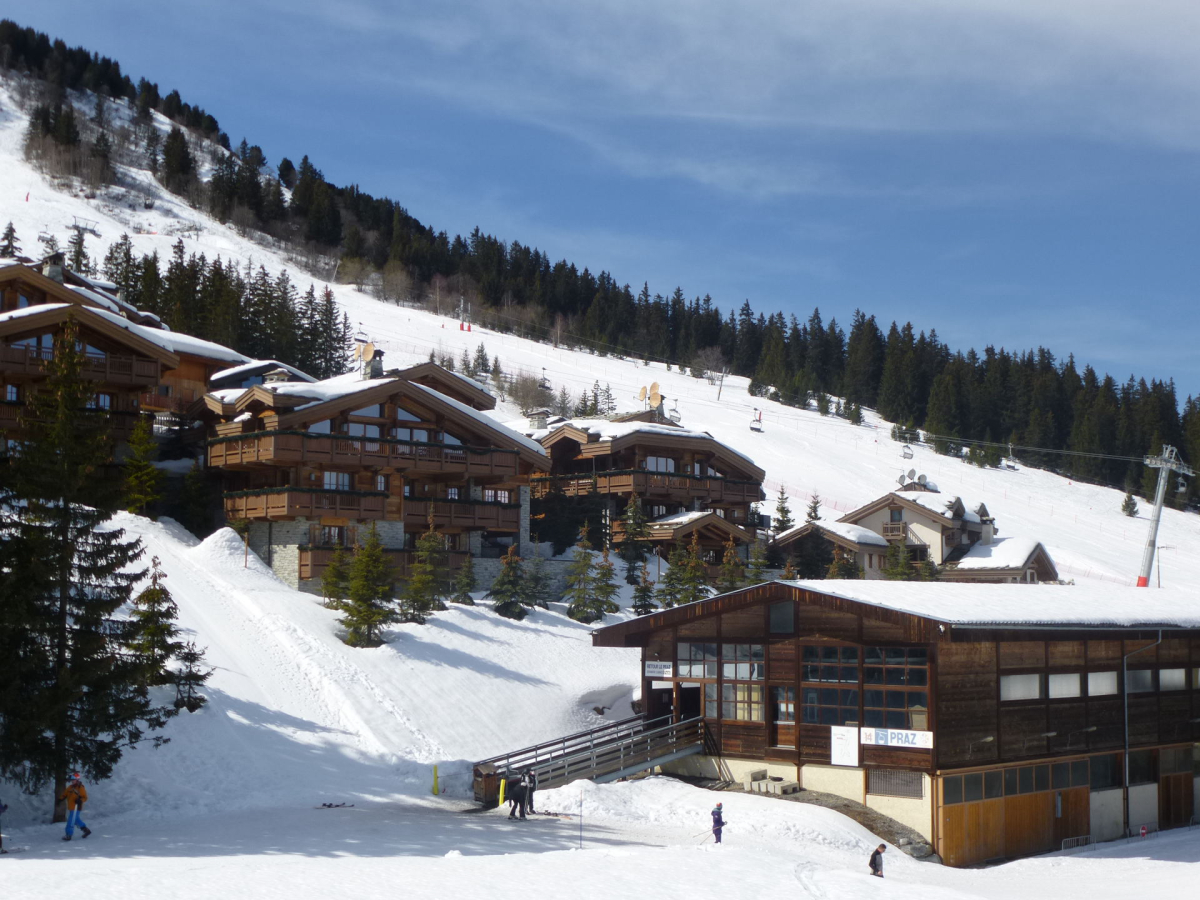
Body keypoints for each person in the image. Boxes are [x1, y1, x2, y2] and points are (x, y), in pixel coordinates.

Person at [60, 772, 91, 841]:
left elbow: (85, 797)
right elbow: (65, 794)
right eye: (71, 780)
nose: (72, 781)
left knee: (71, 821)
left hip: (76, 807)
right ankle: (86, 830)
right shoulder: (70, 787)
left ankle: (68, 835)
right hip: (71, 807)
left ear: (77, 780)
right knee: (76, 820)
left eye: (73, 780)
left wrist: (80, 800)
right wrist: (61, 799)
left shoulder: (80, 788)